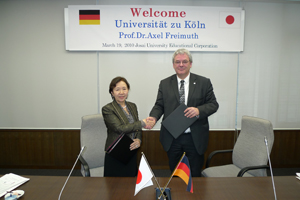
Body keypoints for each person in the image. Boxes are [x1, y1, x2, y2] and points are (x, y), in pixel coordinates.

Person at [147, 49, 219, 177]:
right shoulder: (164, 83)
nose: (181, 65)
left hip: (194, 138)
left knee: (194, 175)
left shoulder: (204, 82)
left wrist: (198, 110)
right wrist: (153, 117)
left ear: (190, 63)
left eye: (184, 61)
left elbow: (213, 105)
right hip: (172, 137)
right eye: (177, 62)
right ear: (173, 64)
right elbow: (159, 105)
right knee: (175, 175)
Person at [102, 76, 154, 177]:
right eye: (117, 89)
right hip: (116, 152)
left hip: (131, 151)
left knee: (130, 184)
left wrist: (138, 140)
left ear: (128, 90)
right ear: (112, 92)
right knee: (113, 187)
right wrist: (142, 123)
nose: (121, 92)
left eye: (124, 89)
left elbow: (137, 128)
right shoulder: (108, 109)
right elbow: (120, 128)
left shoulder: (132, 106)